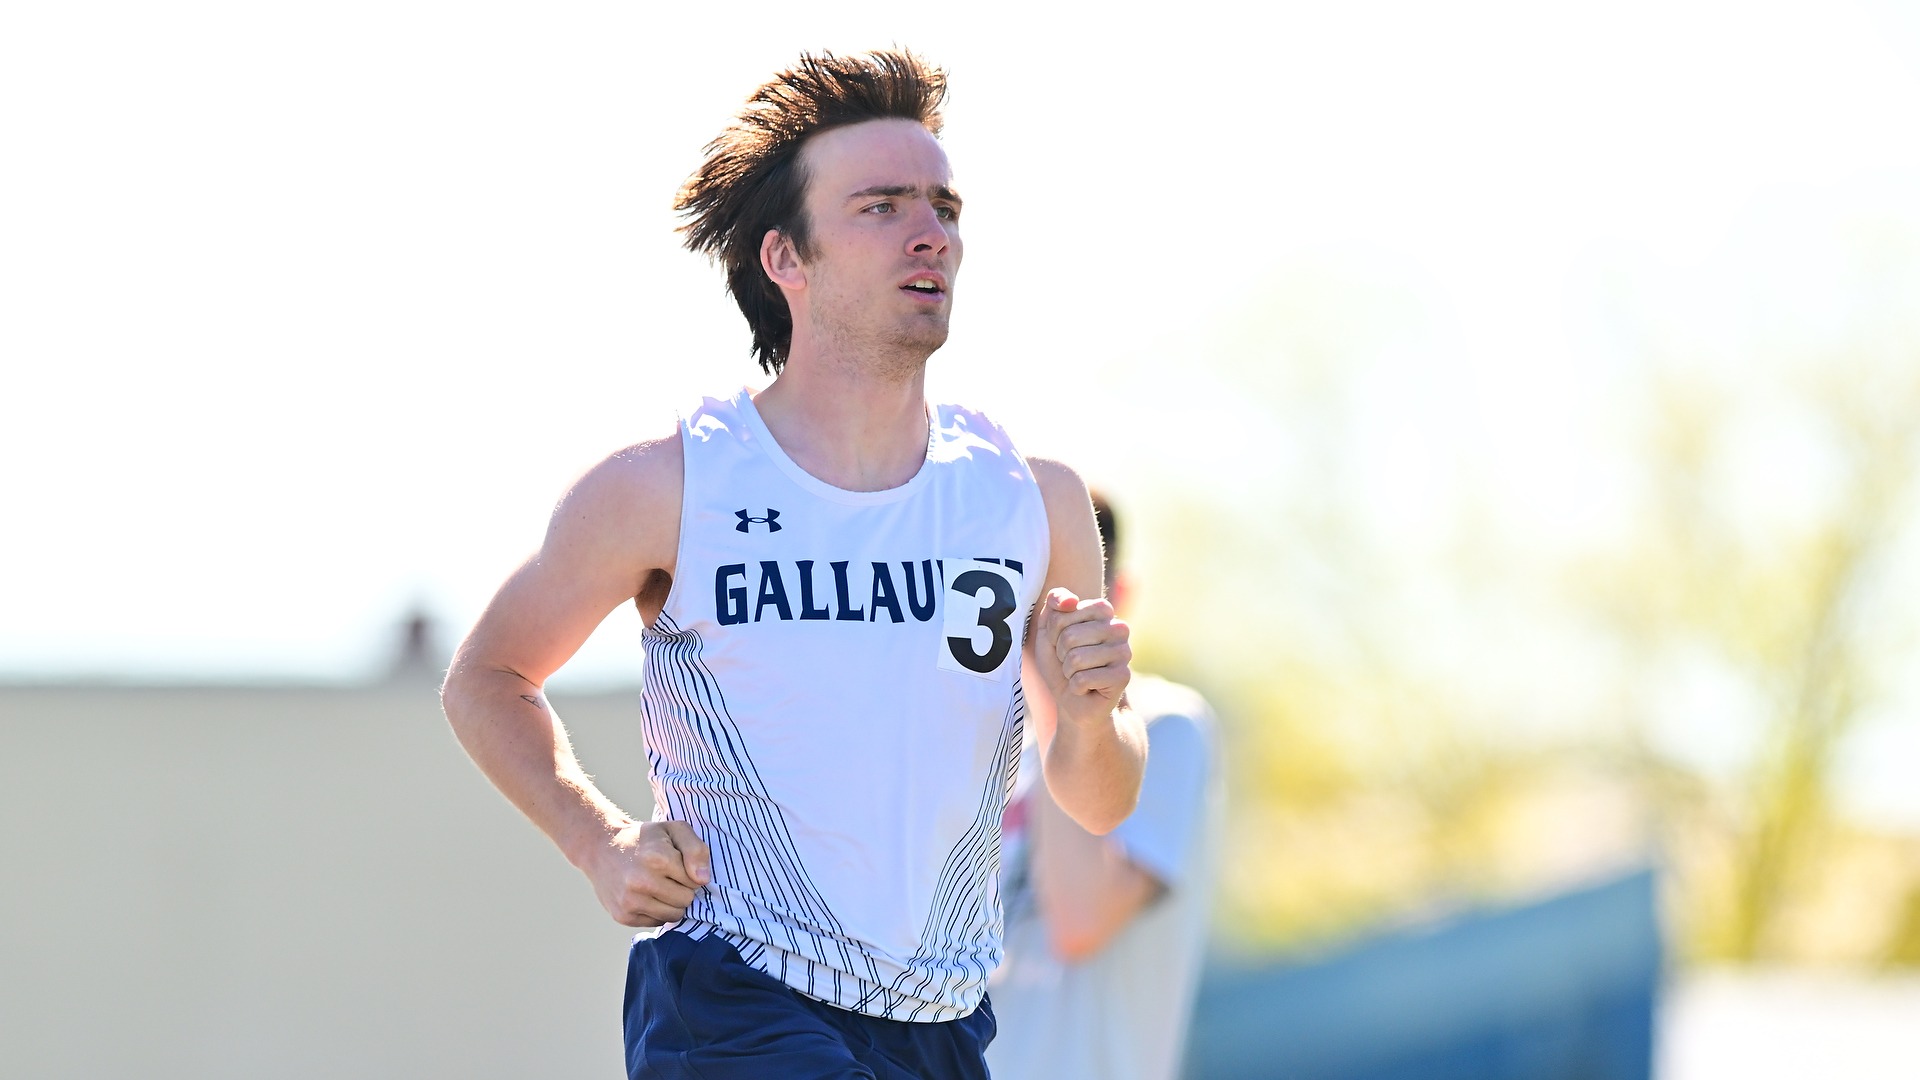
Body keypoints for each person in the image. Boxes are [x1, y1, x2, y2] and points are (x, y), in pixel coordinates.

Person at [439, 50, 1145, 1080]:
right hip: (735, 993)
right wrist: (598, 842)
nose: (930, 233)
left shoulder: (1029, 500)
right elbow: (486, 680)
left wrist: (1088, 714)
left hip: (940, 1018)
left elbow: (1101, 798)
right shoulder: (669, 487)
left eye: (945, 205)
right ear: (787, 260)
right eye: (882, 205)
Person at [985, 493, 1223, 1080]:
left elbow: (1080, 917)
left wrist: (1057, 688)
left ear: (1119, 598)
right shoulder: (984, 747)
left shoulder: (1166, 725)